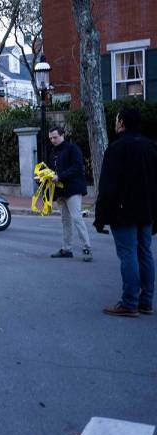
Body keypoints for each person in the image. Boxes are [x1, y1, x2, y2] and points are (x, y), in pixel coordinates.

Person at [94, 107, 157, 317]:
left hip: (123, 211)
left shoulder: (116, 148)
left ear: (122, 123)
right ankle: (146, 301)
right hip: (146, 210)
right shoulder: (151, 147)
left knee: (128, 254)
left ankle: (130, 302)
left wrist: (100, 217)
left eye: (116, 119)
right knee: (145, 252)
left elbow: (107, 186)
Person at [47, 126, 92, 262]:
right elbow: (50, 170)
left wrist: (60, 176)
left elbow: (78, 167)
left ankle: (87, 248)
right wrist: (43, 177)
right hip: (60, 191)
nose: (53, 140)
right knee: (65, 221)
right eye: (50, 138)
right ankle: (67, 249)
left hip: (72, 189)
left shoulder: (73, 148)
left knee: (77, 218)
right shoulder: (53, 152)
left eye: (55, 137)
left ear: (63, 135)